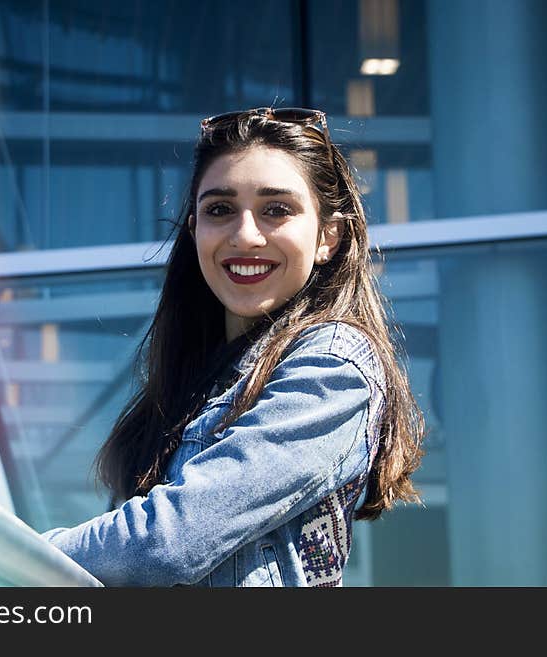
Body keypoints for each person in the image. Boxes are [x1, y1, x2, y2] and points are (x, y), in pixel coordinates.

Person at [43, 107, 425, 587]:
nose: (245, 235)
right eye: (220, 210)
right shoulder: (190, 382)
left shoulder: (333, 363)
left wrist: (10, 556)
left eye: (277, 209)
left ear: (329, 235)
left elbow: (166, 542)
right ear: (194, 230)